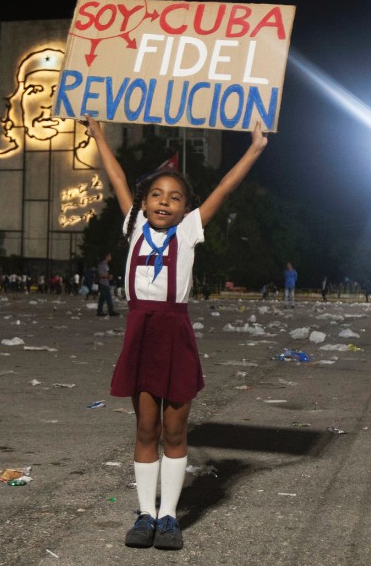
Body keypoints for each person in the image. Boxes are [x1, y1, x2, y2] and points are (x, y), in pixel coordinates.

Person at [86, 115, 268, 551]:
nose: (164, 203)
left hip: (175, 330)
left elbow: (224, 187)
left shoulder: (188, 232)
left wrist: (256, 148)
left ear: (187, 208)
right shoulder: (132, 226)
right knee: (145, 427)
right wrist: (99, 137)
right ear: (143, 202)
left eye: (175, 198)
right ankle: (145, 514)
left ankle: (169, 516)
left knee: (175, 429)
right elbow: (114, 176)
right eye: (156, 196)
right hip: (140, 329)